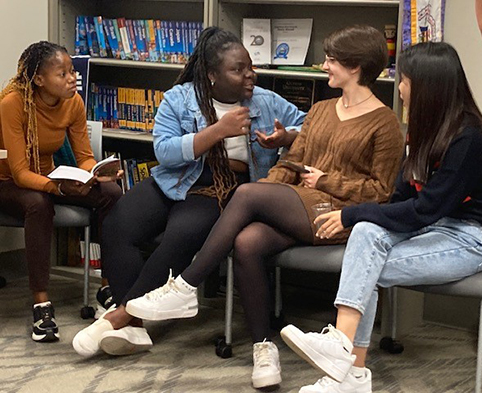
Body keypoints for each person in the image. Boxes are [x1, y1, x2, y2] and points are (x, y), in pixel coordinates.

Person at [122, 25, 404, 389]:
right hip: (302, 206)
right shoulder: (319, 111)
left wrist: (325, 182)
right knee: (247, 242)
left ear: (354, 67)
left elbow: (381, 192)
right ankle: (263, 348)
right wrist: (271, 192)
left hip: (341, 218)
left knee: (247, 194)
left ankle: (187, 285)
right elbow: (291, 165)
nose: (324, 66)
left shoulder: (385, 123)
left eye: (331, 60)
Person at [72, 27, 306, 358]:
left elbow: (312, 126)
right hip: (176, 177)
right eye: (238, 69)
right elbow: (165, 151)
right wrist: (216, 132)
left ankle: (120, 316)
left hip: (223, 187)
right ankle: (135, 327)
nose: (249, 75)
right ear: (212, 75)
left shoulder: (265, 102)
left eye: (250, 67)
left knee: (180, 235)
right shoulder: (180, 98)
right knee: (117, 224)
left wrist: (286, 137)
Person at [278, 41, 482, 393]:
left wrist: (351, 213)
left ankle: (349, 372)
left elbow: (424, 209)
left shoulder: (469, 138)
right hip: (431, 229)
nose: (399, 88)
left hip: (469, 237)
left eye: (403, 80)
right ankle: (347, 359)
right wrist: (361, 219)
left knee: (363, 268)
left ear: (427, 84)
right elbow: (399, 199)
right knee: (368, 235)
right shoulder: (423, 129)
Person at [0, 41, 123, 342]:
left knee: (112, 193)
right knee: (39, 204)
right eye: (63, 73)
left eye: (72, 71)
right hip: (8, 182)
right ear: (39, 80)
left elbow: (83, 155)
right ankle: (41, 304)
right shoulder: (12, 103)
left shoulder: (73, 102)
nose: (72, 78)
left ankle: (106, 288)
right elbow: (18, 171)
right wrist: (56, 187)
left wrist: (95, 173)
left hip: (49, 176)